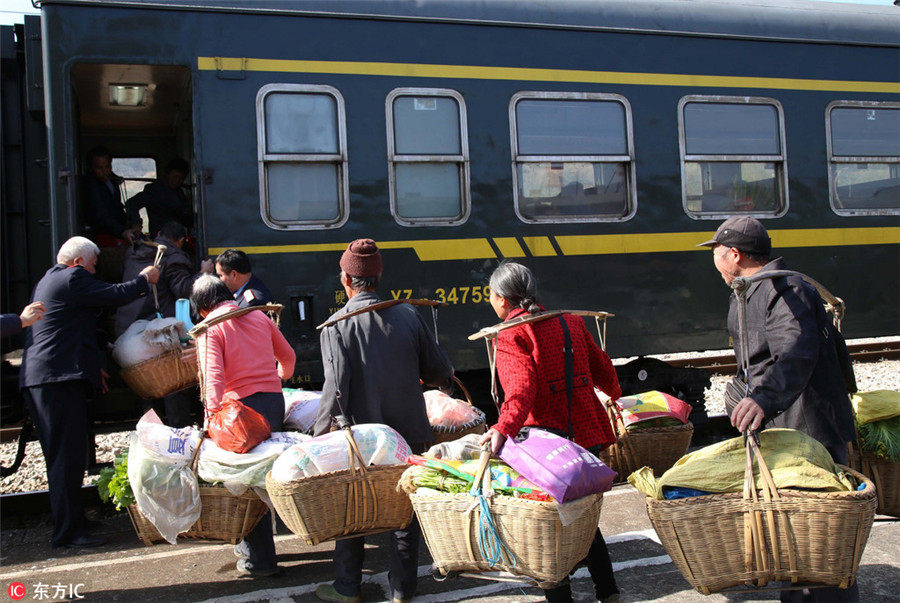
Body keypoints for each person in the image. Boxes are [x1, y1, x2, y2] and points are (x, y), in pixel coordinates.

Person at [698, 216, 859, 603]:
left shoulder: (786, 290)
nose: (714, 261)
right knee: (792, 535)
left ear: (734, 254)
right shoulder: (749, 290)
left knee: (821, 538)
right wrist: (741, 390)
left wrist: (762, 399)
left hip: (811, 430)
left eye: (716, 253)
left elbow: (796, 353)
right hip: (787, 427)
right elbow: (757, 359)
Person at [313, 239, 454, 603]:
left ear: (345, 279)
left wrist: (316, 437)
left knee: (354, 509)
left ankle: (347, 587)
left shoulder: (335, 326)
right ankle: (403, 589)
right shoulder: (408, 315)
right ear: (378, 277)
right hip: (408, 435)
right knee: (403, 515)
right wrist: (448, 383)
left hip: (362, 441)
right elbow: (437, 371)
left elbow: (335, 390)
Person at [478, 261, 622, 603]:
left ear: (501, 299)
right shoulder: (571, 322)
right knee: (583, 519)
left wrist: (503, 428)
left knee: (546, 529)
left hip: (547, 449)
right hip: (586, 436)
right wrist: (614, 394)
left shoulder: (511, 334)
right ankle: (609, 591)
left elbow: (521, 390)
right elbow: (604, 368)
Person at [19, 236, 159, 548]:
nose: (94, 272)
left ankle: (73, 521)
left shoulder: (50, 280)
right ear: (79, 261)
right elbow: (112, 295)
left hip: (52, 378)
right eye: (94, 265)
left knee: (65, 456)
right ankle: (67, 532)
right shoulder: (72, 277)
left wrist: (92, 365)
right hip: (56, 381)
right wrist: (143, 280)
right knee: (65, 458)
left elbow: (67, 329)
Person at [190, 274, 295, 578]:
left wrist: (210, 419)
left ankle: (258, 560)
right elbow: (288, 357)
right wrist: (277, 380)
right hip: (273, 404)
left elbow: (213, 381)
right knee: (267, 473)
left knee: (246, 480)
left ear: (202, 309)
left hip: (240, 414)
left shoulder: (210, 328)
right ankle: (269, 543)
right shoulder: (260, 318)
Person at [115, 221, 214, 427]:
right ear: (180, 241)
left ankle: (152, 428)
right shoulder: (173, 257)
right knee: (173, 381)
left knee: (148, 383)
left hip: (132, 328)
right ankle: (179, 430)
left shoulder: (136, 252)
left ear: (159, 233)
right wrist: (204, 273)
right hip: (157, 331)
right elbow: (185, 289)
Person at [125, 157, 193, 236]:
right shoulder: (154, 190)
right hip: (160, 238)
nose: (177, 181)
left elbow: (179, 216)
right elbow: (132, 203)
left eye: (181, 179)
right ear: (167, 174)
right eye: (175, 177)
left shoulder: (179, 193)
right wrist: (136, 223)